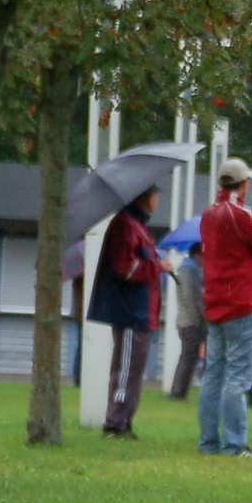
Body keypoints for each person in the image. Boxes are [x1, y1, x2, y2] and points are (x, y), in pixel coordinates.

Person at [199, 157, 252, 456]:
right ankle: (235, 444)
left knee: (213, 374)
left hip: (214, 302)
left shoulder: (209, 214)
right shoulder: (240, 213)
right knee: (237, 377)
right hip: (241, 303)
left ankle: (209, 442)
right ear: (243, 184)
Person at [88, 185, 174, 437]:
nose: (157, 201)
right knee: (125, 372)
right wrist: (158, 268)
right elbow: (125, 268)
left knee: (133, 372)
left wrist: (156, 265)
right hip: (130, 313)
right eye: (155, 196)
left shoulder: (138, 226)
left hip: (142, 314)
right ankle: (114, 423)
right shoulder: (125, 225)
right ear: (144, 198)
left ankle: (124, 422)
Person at [167, 242, 205, 401]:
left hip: (189, 320)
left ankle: (180, 390)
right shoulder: (188, 270)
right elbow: (191, 298)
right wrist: (199, 319)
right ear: (197, 254)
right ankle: (178, 392)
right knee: (188, 357)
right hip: (190, 322)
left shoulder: (192, 270)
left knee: (189, 357)